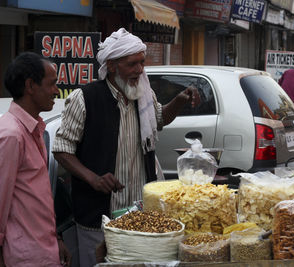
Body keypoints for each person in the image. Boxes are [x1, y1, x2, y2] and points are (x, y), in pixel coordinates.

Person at [52, 28, 200, 266]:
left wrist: (180, 100)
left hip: (139, 212)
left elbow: (159, 118)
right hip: (99, 214)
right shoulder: (85, 98)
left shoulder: (144, 94)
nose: (140, 70)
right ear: (112, 66)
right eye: (132, 64)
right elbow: (61, 149)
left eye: (142, 63)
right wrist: (94, 179)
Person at [0, 52, 70, 267]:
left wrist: (56, 238)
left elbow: (37, 199)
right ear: (30, 86)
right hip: (24, 256)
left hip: (43, 250)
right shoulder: (11, 135)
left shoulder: (34, 128)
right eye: (51, 84)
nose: (56, 91)